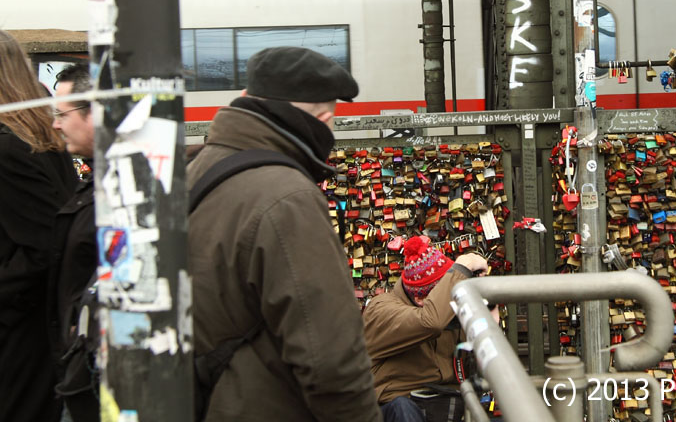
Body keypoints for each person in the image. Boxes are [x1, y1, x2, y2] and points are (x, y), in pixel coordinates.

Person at [187, 46, 382, 421]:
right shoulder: (289, 198)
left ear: (245, 97)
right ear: (325, 121)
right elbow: (332, 361)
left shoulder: (197, 168)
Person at [0, 30, 78, 422]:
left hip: (19, 330)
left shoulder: (8, 147)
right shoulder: (41, 137)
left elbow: (46, 242)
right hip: (38, 324)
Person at [363, 235, 491, 422]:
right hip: (397, 408)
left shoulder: (448, 311)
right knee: (402, 408)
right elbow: (430, 322)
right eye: (449, 290)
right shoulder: (381, 310)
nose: (453, 297)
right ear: (420, 299)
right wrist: (464, 265)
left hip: (446, 405)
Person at [48, 62, 100, 422]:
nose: (56, 125)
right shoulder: (95, 184)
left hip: (94, 374)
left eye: (62, 114)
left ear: (94, 114)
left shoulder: (123, 193)